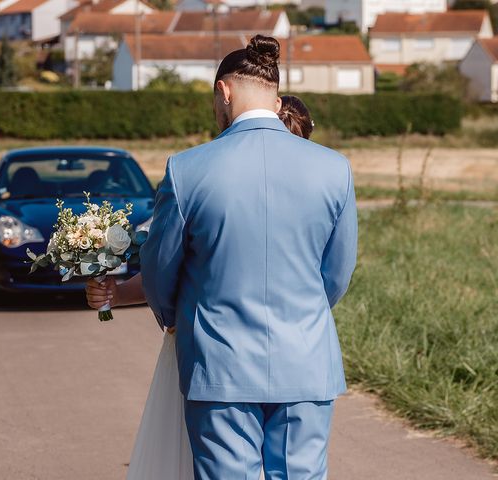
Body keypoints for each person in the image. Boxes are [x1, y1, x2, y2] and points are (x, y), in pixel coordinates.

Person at [86, 34, 357, 480]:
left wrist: (179, 319)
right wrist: (302, 315)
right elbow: (336, 274)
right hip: (307, 359)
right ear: (274, 93)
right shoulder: (334, 168)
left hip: (219, 362)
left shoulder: (187, 169)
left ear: (224, 92)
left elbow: (159, 271)